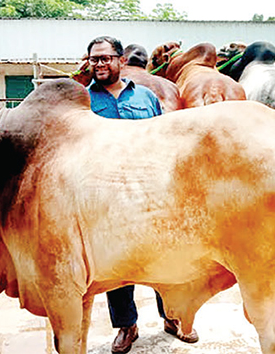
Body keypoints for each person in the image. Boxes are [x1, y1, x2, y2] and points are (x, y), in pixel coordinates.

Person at [85, 35, 199, 353]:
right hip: (105, 194)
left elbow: (165, 138)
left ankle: (172, 317)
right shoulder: (83, 100)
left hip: (151, 191)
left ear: (121, 60)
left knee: (165, 255)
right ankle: (127, 326)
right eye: (94, 59)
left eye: (106, 58)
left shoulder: (147, 97)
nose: (99, 64)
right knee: (116, 263)